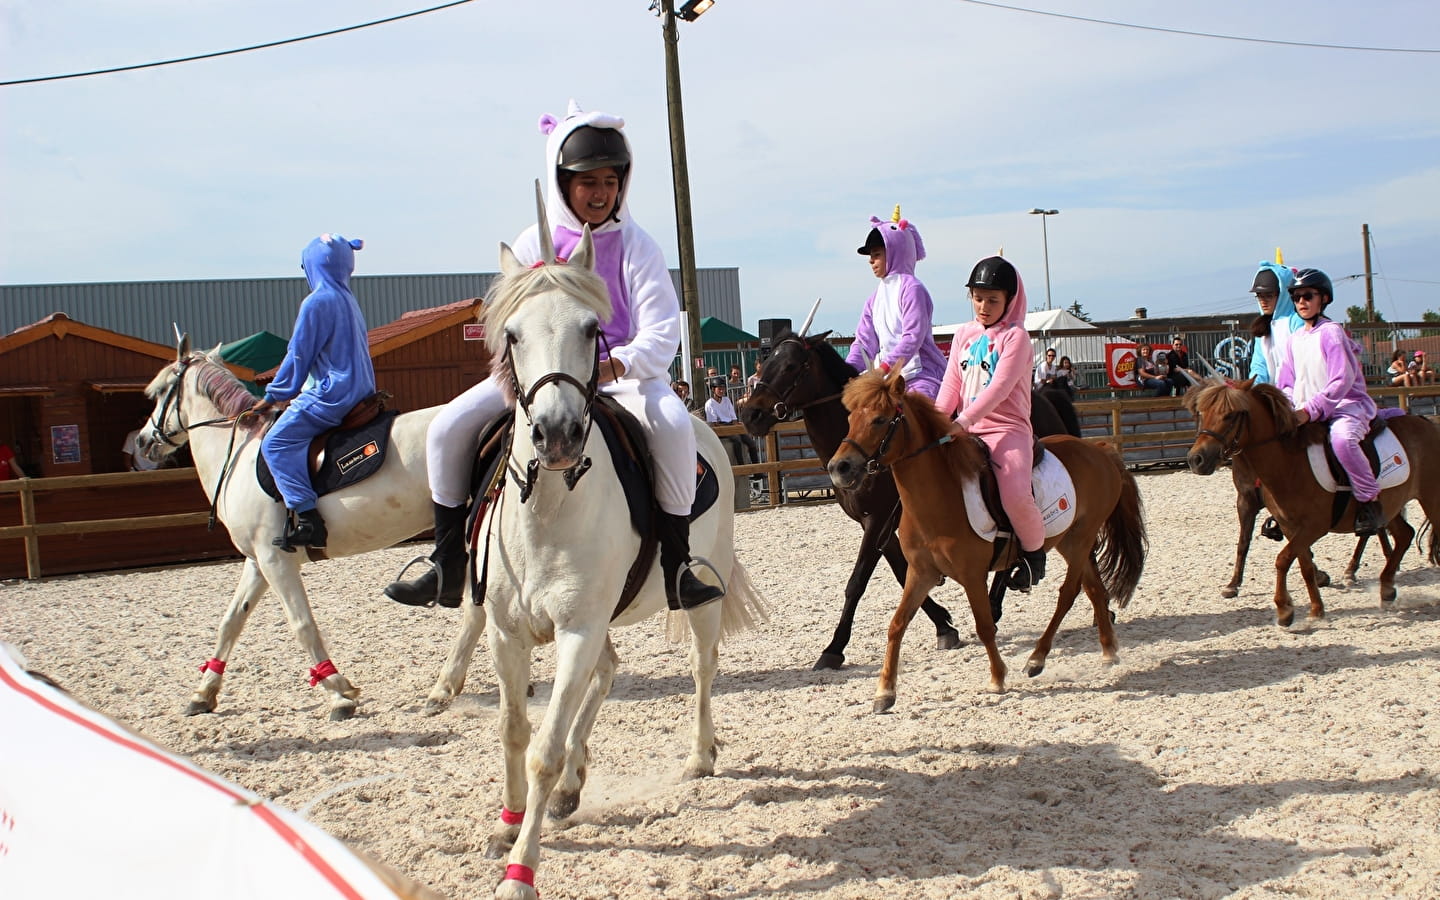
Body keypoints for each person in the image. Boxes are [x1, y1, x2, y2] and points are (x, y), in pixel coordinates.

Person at [386, 100, 722, 611]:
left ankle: (677, 565)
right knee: (446, 428)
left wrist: (617, 364)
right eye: (589, 182)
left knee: (675, 428)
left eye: (610, 182)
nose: (600, 193)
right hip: (539, 377)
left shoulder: (638, 245)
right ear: (564, 183)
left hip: (620, 375)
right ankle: (447, 560)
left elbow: (660, 331)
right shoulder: (528, 244)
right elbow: (505, 327)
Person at [248, 234, 374, 551]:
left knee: (276, 443)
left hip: (333, 393)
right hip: (362, 389)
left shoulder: (317, 302)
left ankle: (308, 519)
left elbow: (298, 354)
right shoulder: (348, 300)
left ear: (313, 267)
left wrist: (274, 396)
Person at [935, 256, 1047, 591]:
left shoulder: (1017, 338)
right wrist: (939, 420)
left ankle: (1034, 556)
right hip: (965, 428)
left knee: (1014, 492)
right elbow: (951, 382)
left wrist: (964, 420)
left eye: (993, 300)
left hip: (1006, 430)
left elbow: (999, 388)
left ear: (1010, 301)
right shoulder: (964, 334)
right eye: (977, 297)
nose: (983, 306)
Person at [1275, 268, 1384, 535]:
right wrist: (1289, 407)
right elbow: (1286, 382)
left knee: (1342, 441)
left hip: (1348, 406)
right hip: (1307, 410)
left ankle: (1370, 502)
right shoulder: (1294, 340)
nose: (1302, 301)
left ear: (1323, 299)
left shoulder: (1332, 333)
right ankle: (1283, 510)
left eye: (1308, 296)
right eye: (1297, 296)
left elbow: (1341, 380)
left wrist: (1310, 410)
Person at [844, 206, 946, 399]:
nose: (871, 261)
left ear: (894, 252)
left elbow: (912, 338)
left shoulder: (912, 289)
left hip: (921, 375)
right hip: (887, 377)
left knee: (917, 414)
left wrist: (884, 367)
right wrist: (846, 371)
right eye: (870, 256)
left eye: (876, 254)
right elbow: (864, 343)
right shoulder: (873, 299)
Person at [1246, 255, 1300, 385]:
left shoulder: (1297, 322)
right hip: (1274, 397)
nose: (1263, 301)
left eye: (1269, 296)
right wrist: (1254, 387)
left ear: (1284, 294)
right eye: (1259, 296)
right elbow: (1259, 365)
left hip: (1300, 397)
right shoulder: (1263, 326)